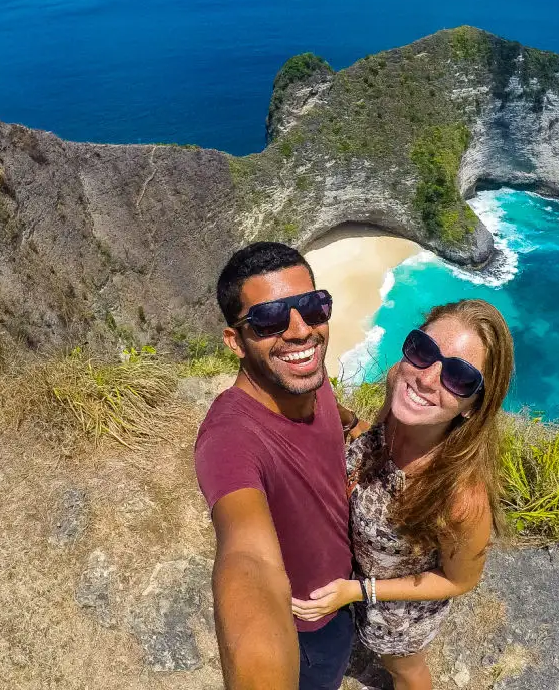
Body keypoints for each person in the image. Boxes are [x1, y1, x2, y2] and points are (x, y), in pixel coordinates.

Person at [291, 299, 515, 690]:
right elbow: (375, 437)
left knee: (403, 670)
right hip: (356, 579)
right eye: (423, 350)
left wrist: (359, 591)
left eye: (459, 378)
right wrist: (347, 422)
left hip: (397, 611)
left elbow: (459, 581)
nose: (427, 378)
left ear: (473, 407)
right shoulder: (401, 390)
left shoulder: (461, 495)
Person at [194, 241, 358, 690]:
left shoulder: (308, 379)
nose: (301, 330)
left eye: (312, 306)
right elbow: (248, 559)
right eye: (269, 319)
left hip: (348, 584)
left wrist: (357, 427)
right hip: (309, 621)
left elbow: (335, 416)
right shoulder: (230, 439)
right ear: (236, 341)